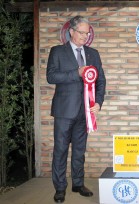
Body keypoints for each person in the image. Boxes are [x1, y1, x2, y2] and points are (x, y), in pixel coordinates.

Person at [47, 15, 106, 203]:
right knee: (61, 150)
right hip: (64, 111)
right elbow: (51, 76)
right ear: (71, 31)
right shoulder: (57, 51)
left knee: (80, 150)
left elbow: (101, 81)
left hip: (86, 112)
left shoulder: (94, 53)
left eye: (87, 33)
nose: (85, 36)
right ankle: (60, 187)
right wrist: (77, 73)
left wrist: (98, 103)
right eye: (81, 32)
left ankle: (78, 183)